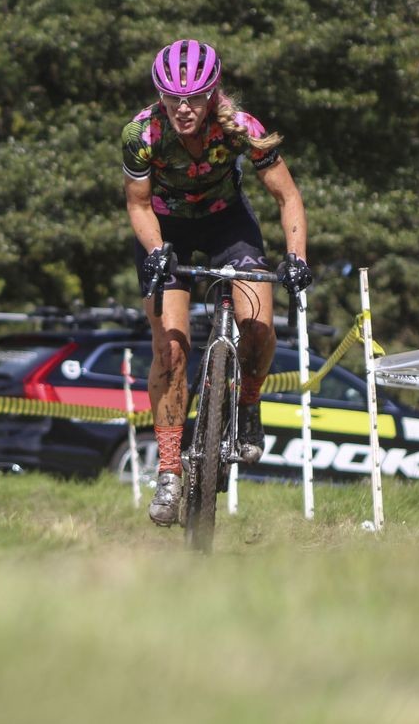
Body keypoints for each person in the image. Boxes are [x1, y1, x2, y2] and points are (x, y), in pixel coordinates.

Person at [122, 39, 312, 526]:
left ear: (212, 93)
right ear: (159, 95)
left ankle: (248, 403)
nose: (183, 109)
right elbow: (139, 205)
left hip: (227, 223)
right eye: (172, 98)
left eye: (195, 98)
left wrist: (296, 259)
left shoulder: (239, 128)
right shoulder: (141, 134)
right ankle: (167, 470)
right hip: (166, 230)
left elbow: (287, 197)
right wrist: (157, 254)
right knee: (171, 348)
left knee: (259, 326)